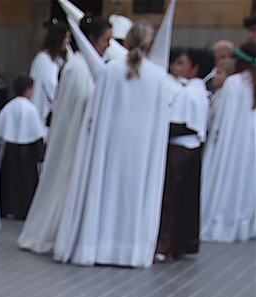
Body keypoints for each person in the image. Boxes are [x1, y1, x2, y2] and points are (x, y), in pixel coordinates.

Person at [54, 19, 171, 268]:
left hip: (109, 146)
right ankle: (129, 249)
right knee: (133, 195)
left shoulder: (110, 71)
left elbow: (95, 115)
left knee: (104, 190)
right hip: (141, 150)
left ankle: (97, 244)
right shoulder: (159, 77)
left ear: (125, 43)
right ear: (148, 44)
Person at [18, 15, 110, 255]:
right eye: (105, 40)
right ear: (91, 40)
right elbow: (74, 106)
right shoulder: (77, 68)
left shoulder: (91, 66)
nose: (109, 46)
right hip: (74, 141)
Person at [155, 47, 210, 260]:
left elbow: (183, 124)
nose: (182, 66)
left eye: (185, 62)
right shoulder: (197, 90)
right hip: (190, 149)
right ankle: (178, 244)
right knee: (183, 200)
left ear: (194, 68)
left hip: (180, 149)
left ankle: (165, 247)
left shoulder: (189, 93)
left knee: (172, 200)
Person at [200, 38, 255, 242]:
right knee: (245, 180)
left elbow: (223, 116)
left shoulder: (235, 82)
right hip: (250, 142)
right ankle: (243, 223)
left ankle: (218, 221)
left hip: (230, 140)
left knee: (224, 178)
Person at [0, 75, 46, 219]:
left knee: (9, 181)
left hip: (11, 151)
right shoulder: (30, 109)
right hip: (27, 154)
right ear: (28, 89)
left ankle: (7, 208)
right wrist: (40, 153)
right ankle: (24, 210)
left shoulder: (9, 106)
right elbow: (36, 133)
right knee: (26, 183)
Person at [30, 21, 70, 123]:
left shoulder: (65, 57)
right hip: (47, 110)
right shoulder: (44, 59)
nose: (68, 41)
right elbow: (49, 84)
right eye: (66, 37)